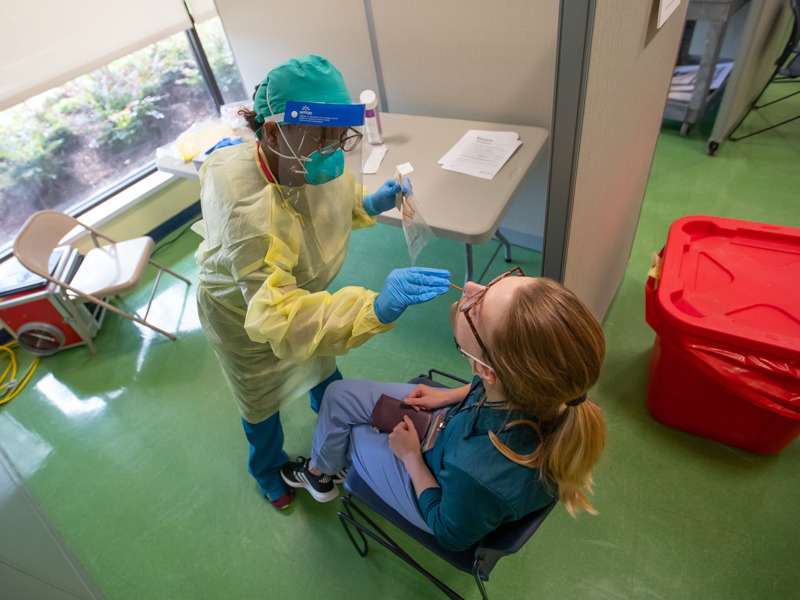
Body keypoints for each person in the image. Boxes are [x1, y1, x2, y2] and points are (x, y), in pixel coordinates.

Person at [194, 55, 450, 511]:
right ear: (273, 132)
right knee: (259, 402)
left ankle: (333, 420)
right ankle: (268, 469)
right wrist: (375, 309)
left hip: (305, 299)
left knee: (322, 367)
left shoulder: (310, 156)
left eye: (340, 139)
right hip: (245, 316)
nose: (332, 152)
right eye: (320, 140)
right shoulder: (244, 204)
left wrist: (370, 203)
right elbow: (277, 314)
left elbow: (335, 204)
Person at [281, 271, 607, 551]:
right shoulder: (543, 390)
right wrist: (449, 396)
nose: (470, 286)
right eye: (494, 284)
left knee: (350, 433)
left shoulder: (479, 474)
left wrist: (411, 458)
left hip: (438, 484)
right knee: (338, 397)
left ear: (485, 369)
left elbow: (448, 533)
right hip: (451, 430)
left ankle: (323, 472)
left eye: (478, 309)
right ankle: (324, 467)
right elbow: (494, 388)